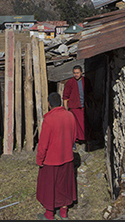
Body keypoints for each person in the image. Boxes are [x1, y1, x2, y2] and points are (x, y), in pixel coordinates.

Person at [36, 92, 77, 220]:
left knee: (50, 186)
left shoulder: (49, 119)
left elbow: (43, 144)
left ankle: (49, 214)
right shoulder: (70, 116)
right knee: (64, 185)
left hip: (51, 159)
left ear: (49, 104)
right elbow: (73, 137)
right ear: (60, 102)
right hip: (67, 157)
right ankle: (63, 212)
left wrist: (40, 159)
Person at [62, 65, 92, 150]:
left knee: (84, 124)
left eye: (77, 73)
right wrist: (66, 109)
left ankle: (86, 140)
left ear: (81, 73)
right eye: (74, 73)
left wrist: (91, 103)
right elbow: (65, 97)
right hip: (74, 107)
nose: (76, 75)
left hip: (83, 107)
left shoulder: (85, 81)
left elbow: (89, 93)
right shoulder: (70, 82)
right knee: (73, 126)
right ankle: (73, 142)